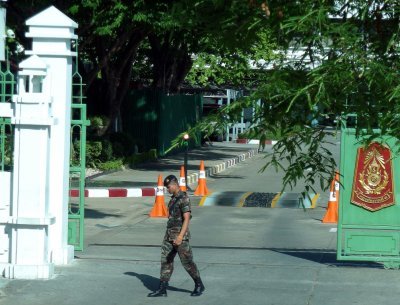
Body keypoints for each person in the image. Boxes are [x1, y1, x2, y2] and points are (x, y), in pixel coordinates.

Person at [148, 175, 205, 297]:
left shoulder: (184, 198)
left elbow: (186, 219)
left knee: (187, 262)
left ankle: (199, 284)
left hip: (180, 237)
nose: (167, 189)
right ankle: (162, 289)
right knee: (166, 261)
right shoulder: (173, 198)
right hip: (169, 236)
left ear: (174, 184)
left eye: (168, 187)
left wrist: (180, 237)